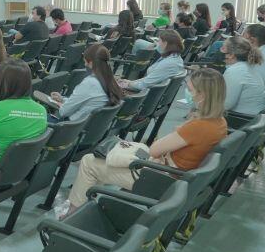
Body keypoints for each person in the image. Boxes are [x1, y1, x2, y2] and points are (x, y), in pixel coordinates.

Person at [66, 67, 228, 213]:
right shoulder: (220, 122)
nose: (188, 93)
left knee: (89, 161)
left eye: (191, 90)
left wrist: (178, 131)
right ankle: (87, 209)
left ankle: (72, 213)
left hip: (160, 180)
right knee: (105, 159)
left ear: (202, 95)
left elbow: (155, 150)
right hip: (177, 178)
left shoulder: (198, 126)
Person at [45, 44, 123, 122]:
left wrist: (62, 105)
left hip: (68, 126)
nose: (85, 65)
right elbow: (87, 101)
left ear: (91, 62)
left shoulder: (90, 83)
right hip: (85, 127)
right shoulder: (110, 81)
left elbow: (63, 112)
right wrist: (63, 99)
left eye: (86, 61)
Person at [119, 30, 185, 91]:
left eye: (159, 41)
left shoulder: (168, 63)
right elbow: (150, 79)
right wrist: (130, 82)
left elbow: (143, 85)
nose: (157, 43)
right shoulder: (174, 58)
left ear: (165, 43)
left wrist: (128, 84)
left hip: (143, 94)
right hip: (148, 92)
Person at [220, 36, 265, 116]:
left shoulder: (235, 71)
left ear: (231, 55)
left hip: (241, 119)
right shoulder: (248, 66)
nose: (220, 50)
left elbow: (225, 105)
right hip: (254, 118)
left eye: (223, 48)